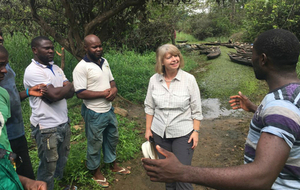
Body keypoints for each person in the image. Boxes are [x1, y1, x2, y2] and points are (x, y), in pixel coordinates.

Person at [142, 29, 300, 189]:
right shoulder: (291, 94)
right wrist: (254, 108)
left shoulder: (281, 105)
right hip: (161, 132)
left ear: (263, 59)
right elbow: (284, 119)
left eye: (253, 53)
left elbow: (261, 177)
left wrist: (183, 172)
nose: (251, 59)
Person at [72, 34, 130, 188]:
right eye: (94, 47)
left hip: (108, 110)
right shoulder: (81, 68)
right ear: (86, 48)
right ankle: (95, 171)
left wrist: (114, 89)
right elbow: (80, 93)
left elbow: (112, 81)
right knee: (95, 142)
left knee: (112, 137)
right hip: (93, 112)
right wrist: (104, 94)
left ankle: (112, 164)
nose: (98, 49)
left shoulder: (104, 62)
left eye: (100, 46)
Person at [144, 44, 203, 190]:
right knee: (167, 175)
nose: (174, 59)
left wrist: (195, 132)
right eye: (169, 57)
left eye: (176, 56)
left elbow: (197, 110)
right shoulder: (154, 80)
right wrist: (148, 129)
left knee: (183, 176)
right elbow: (150, 107)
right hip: (159, 133)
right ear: (161, 62)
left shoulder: (189, 79)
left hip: (183, 134)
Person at [23, 36, 74, 190]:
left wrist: (64, 89)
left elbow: (71, 92)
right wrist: (66, 87)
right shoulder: (32, 71)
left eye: (52, 47)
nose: (51, 50)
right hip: (47, 127)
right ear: (35, 50)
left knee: (61, 161)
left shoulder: (56, 68)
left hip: (63, 123)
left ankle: (56, 187)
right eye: (46, 48)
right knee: (47, 167)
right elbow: (53, 96)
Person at [0, 29, 45, 179]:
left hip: (16, 131)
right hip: (4, 136)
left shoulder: (6, 68)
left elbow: (10, 96)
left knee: (25, 173)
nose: (4, 70)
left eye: (1, 41)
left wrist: (27, 93)